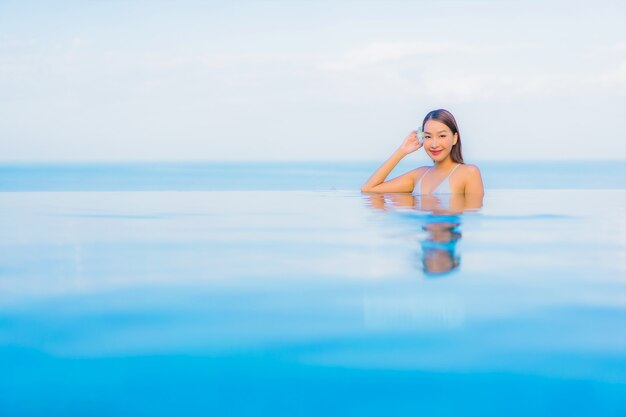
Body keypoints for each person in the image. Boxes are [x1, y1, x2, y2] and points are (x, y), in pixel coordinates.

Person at [361, 109, 484, 200]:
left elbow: (472, 219)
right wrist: (402, 151)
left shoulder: (469, 173)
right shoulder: (419, 175)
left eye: (442, 136)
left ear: (454, 138)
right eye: (428, 137)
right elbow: (368, 190)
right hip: (423, 234)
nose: (434, 144)